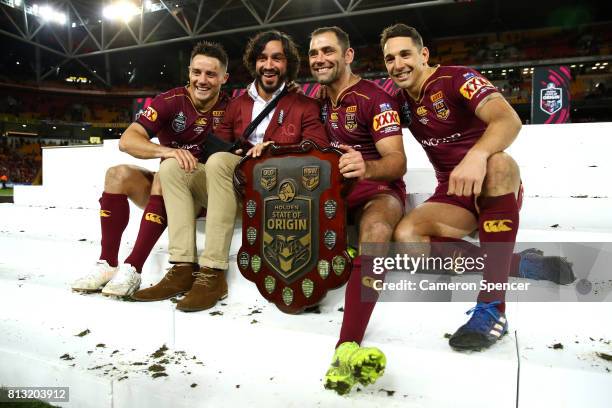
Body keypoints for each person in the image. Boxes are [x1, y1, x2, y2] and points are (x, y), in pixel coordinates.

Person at [381, 23, 573, 355]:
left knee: (499, 162)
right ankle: (517, 264)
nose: (398, 64)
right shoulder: (398, 101)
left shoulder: (457, 78)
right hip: (452, 193)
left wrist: (477, 155)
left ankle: (492, 309)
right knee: (408, 239)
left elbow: (508, 120)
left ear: (423, 54)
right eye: (389, 58)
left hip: (493, 185)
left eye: (405, 54)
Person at [131, 30, 328, 312]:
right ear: (254, 63)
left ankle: (212, 272)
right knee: (173, 166)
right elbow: (215, 149)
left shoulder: (304, 104)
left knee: (220, 162)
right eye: (262, 58)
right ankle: (183, 266)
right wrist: (239, 154)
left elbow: (318, 150)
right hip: (234, 193)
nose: (269, 65)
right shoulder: (237, 105)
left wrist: (273, 151)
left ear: (289, 64)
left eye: (277, 58)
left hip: (277, 198)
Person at [71, 41, 231, 297]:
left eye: (211, 74)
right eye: (196, 72)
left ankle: (133, 267)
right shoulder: (170, 100)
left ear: (224, 78)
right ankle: (107, 264)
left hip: (205, 193)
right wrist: (167, 151)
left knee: (166, 171)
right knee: (117, 175)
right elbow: (127, 140)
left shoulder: (232, 104)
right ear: (189, 72)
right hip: (170, 190)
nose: (202, 80)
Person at [308, 26, 407, 395]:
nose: (320, 58)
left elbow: (396, 161)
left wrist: (367, 167)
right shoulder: (313, 101)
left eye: (329, 50)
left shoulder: (375, 99)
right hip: (332, 194)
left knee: (378, 231)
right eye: (315, 52)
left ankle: (345, 346)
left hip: (376, 190)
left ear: (348, 56)